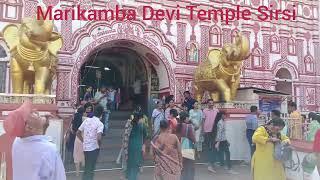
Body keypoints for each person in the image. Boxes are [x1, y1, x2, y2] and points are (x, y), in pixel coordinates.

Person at [6, 101, 66, 180]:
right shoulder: (49, 150)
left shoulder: (17, 142)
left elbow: (35, 141)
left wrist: (43, 128)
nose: (35, 111)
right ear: (29, 127)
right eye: (31, 113)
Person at [76, 105, 104, 180]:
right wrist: (99, 145)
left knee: (87, 167)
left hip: (86, 147)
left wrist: (83, 141)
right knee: (90, 169)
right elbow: (99, 137)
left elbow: (78, 132)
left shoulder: (87, 120)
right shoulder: (100, 124)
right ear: (101, 114)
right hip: (94, 148)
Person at [125, 112, 147, 180]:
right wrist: (143, 145)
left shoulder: (129, 124)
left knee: (130, 164)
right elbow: (145, 136)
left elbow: (126, 135)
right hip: (138, 147)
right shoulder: (142, 126)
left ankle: (128, 177)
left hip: (130, 146)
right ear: (141, 118)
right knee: (136, 165)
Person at [176, 111, 196, 180]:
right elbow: (193, 139)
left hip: (180, 148)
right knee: (189, 166)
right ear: (185, 118)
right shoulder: (189, 126)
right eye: (188, 117)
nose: (189, 118)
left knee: (182, 166)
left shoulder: (178, 125)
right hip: (188, 148)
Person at [202, 99, 219, 172]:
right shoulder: (204, 111)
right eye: (210, 103)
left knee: (213, 147)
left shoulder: (216, 111)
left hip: (214, 131)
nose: (211, 104)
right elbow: (202, 121)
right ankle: (209, 163)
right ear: (207, 104)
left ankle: (211, 163)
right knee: (208, 147)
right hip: (206, 131)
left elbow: (218, 121)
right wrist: (203, 130)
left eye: (212, 103)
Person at [71, 106, 85, 176]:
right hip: (83, 136)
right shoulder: (84, 119)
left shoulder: (75, 116)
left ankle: (77, 173)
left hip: (76, 137)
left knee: (76, 154)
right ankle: (84, 166)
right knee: (83, 153)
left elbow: (72, 127)